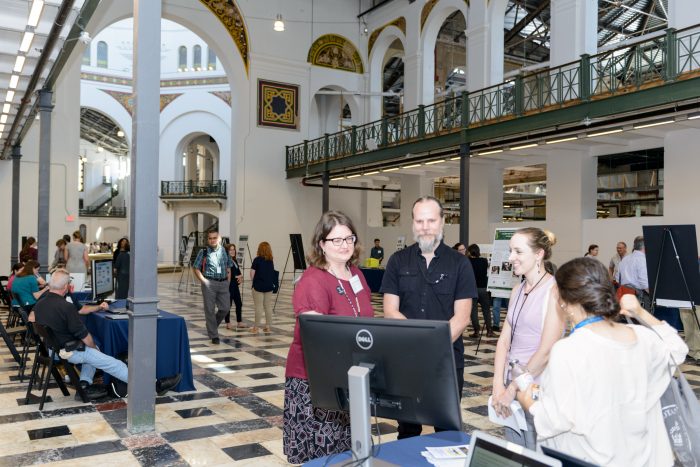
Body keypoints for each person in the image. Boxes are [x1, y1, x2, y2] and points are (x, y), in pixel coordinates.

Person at [515, 258, 688, 466]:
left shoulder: (569, 350)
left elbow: (556, 420)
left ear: (564, 300)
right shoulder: (643, 337)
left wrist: (530, 403)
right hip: (641, 456)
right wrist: (640, 313)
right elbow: (677, 348)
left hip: (591, 458)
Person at [380, 196, 476, 439]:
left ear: (442, 222)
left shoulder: (460, 264)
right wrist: (418, 346)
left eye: (431, 220)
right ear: (413, 223)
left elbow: (462, 317)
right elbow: (390, 310)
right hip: (405, 361)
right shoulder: (397, 261)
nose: (425, 226)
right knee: (407, 430)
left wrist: (432, 348)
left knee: (447, 431)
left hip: (446, 363)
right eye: (420, 220)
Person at [283, 210, 374, 464]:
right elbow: (318, 339)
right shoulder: (313, 280)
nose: (344, 245)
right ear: (321, 244)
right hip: (317, 382)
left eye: (349, 238)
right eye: (336, 240)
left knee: (350, 452)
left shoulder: (356, 274)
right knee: (325, 456)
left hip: (351, 378)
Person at [33, 269, 181, 400]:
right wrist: (95, 348)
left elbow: (35, 320)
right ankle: (153, 386)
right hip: (68, 351)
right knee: (113, 363)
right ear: (65, 287)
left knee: (90, 356)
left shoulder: (40, 303)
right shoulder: (66, 307)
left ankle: (83, 385)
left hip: (52, 349)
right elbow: (86, 337)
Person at [491, 227, 565, 449]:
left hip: (536, 388)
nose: (511, 258)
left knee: (536, 454)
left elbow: (546, 351)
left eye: (518, 251)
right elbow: (504, 340)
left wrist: (512, 388)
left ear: (539, 254)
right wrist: (497, 385)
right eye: (510, 251)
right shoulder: (517, 290)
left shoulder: (554, 291)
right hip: (509, 387)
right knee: (515, 452)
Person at [192, 228, 233, 344]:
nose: (212, 240)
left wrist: (228, 281)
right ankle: (214, 335)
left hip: (223, 283)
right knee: (209, 310)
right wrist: (204, 281)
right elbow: (196, 267)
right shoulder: (203, 251)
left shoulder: (225, 251)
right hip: (209, 283)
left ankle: (211, 325)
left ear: (219, 238)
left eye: (214, 238)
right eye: (210, 238)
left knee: (225, 308)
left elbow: (229, 266)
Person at [467, 244, 494, 338]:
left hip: (472, 289)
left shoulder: (468, 261)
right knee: (486, 310)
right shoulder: (484, 260)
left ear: (470, 251)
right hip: (483, 288)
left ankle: (476, 331)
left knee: (473, 311)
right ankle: (489, 331)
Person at [617, 235, 650, 309]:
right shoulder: (642, 260)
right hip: (638, 298)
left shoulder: (625, 259)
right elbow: (645, 284)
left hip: (624, 295)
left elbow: (617, 278)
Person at [250, 241, 276, 334]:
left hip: (258, 286)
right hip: (269, 286)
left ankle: (256, 327)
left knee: (258, 307)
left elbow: (252, 274)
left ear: (259, 249)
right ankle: (268, 326)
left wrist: (253, 282)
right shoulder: (271, 260)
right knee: (268, 307)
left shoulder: (257, 260)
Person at [225, 243, 245, 329]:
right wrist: (237, 276)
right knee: (228, 305)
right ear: (227, 251)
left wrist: (240, 277)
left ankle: (239, 322)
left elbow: (238, 273)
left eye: (234, 249)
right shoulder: (226, 260)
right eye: (231, 250)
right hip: (229, 286)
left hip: (235, 286)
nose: (233, 251)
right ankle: (228, 323)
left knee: (239, 303)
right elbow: (227, 274)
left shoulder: (234, 260)